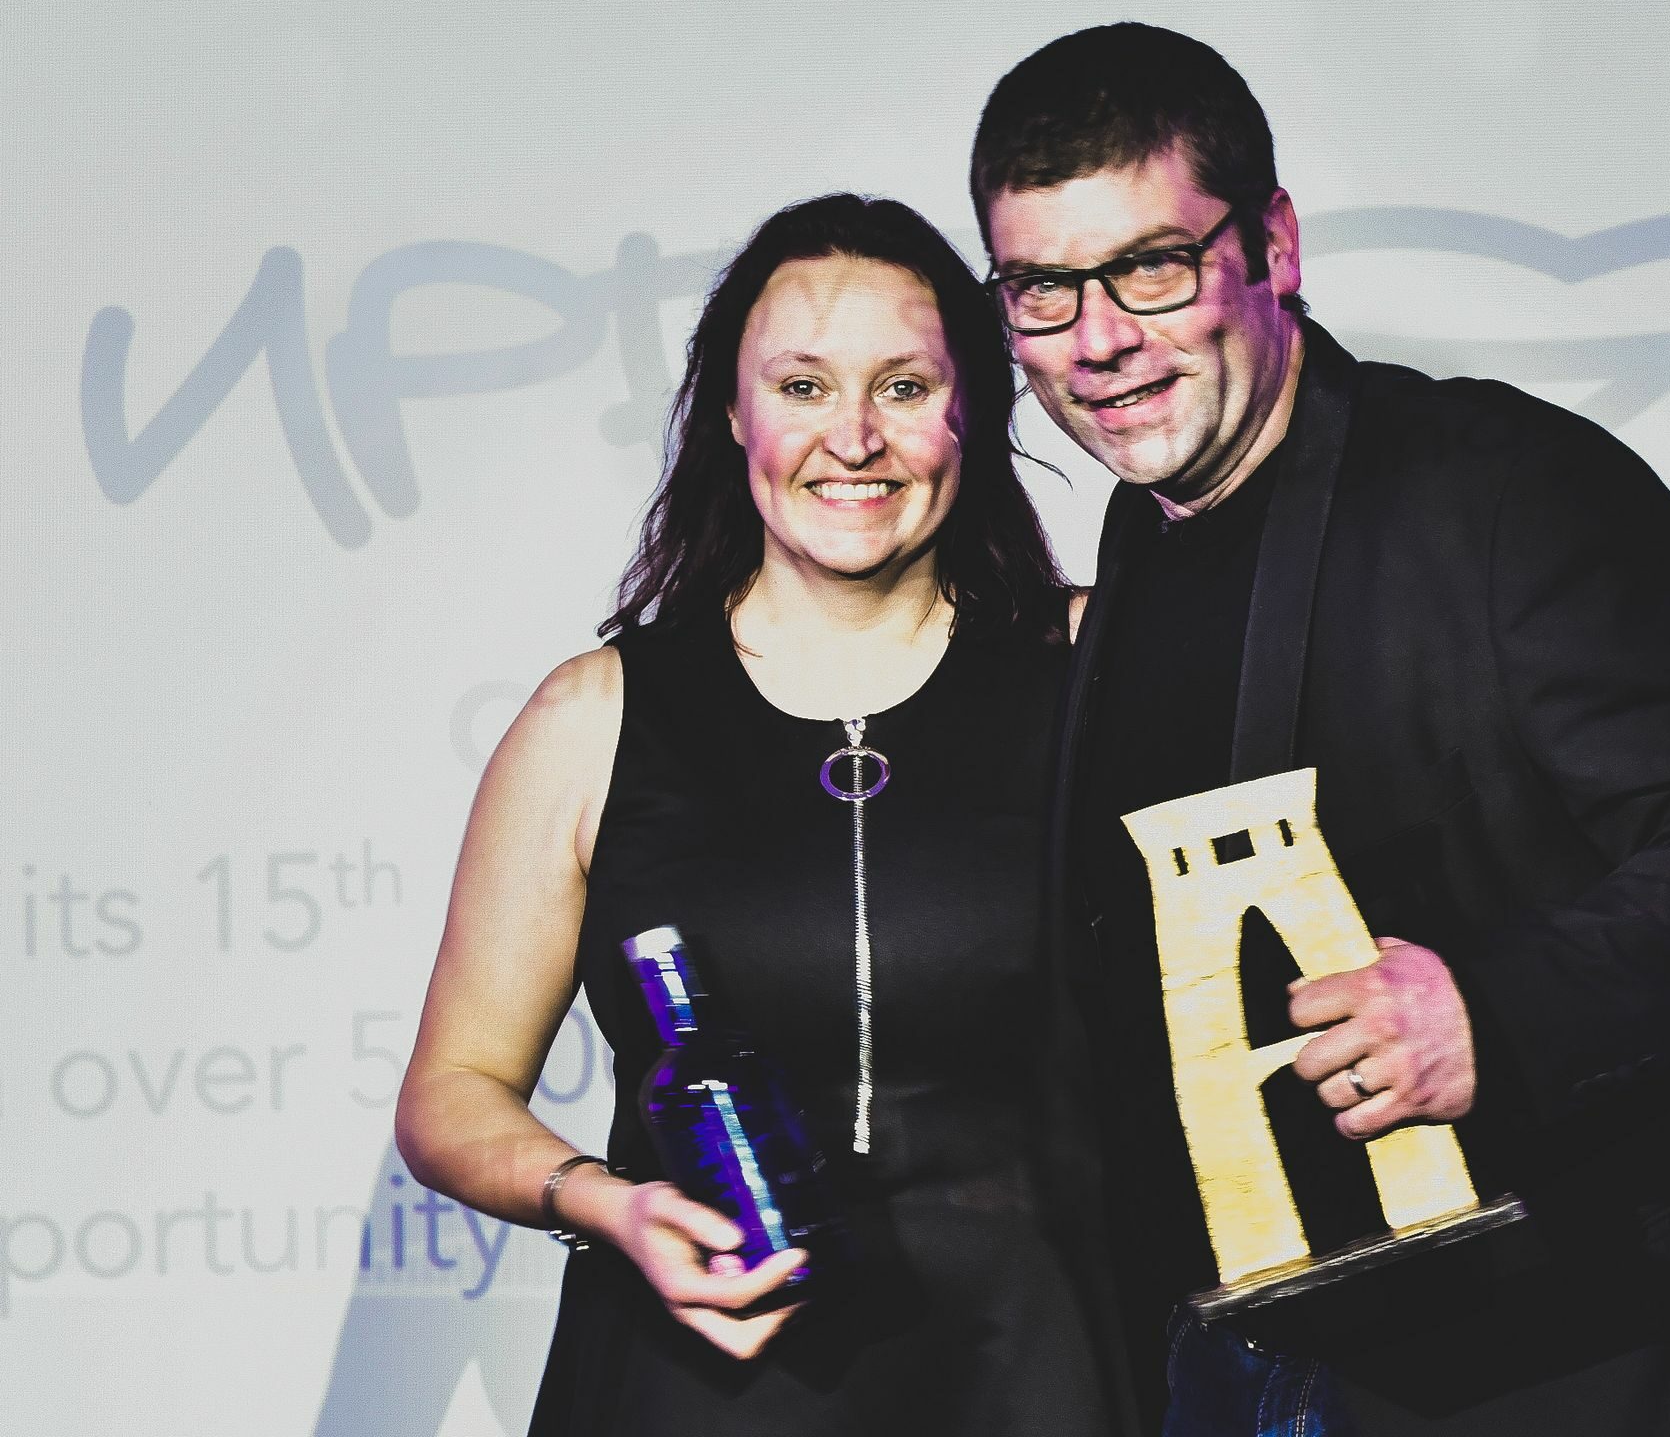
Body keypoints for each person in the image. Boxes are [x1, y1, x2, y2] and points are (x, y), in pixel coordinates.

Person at [970, 24, 1670, 1436]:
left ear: (1275, 246)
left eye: (1152, 266)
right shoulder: (1135, 554)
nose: (1101, 338)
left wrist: (1497, 1010)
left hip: (1626, 1373)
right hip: (1315, 1377)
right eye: (1043, 290)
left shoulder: (1498, 486)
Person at [395, 193, 1131, 1435]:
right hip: (694, 1383)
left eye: (902, 386)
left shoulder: (1099, 669)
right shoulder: (594, 714)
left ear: (973, 412)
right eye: (802, 387)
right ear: (733, 414)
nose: (853, 437)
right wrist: (608, 1202)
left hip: (1036, 1371)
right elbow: (454, 1091)